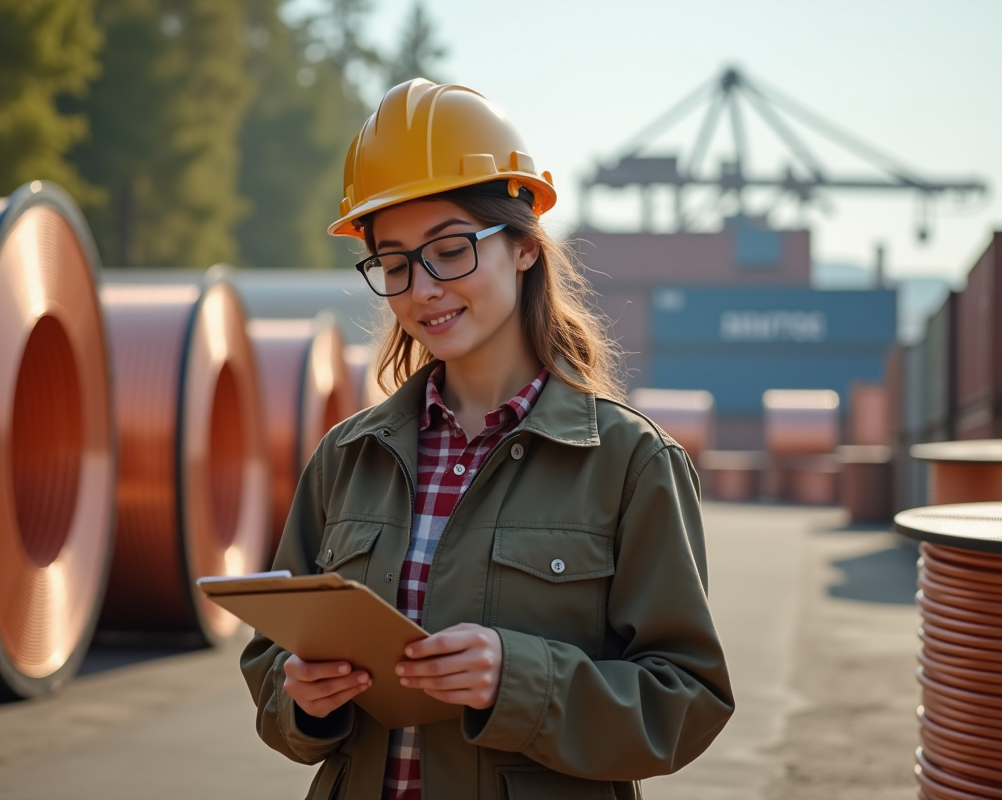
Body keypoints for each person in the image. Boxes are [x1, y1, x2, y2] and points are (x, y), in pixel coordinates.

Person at [241, 79, 733, 800]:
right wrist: (305, 701)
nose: (424, 288)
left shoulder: (630, 463)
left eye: (450, 249)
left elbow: (686, 702)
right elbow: (270, 668)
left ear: (525, 247)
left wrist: (519, 679)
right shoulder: (347, 458)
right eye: (396, 263)